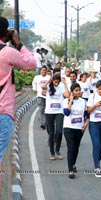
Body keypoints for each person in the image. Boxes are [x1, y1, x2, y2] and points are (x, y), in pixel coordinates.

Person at [0, 16, 36, 196]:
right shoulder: (7, 52)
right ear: (6, 33)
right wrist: (18, 44)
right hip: (2, 112)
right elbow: (31, 63)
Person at [63, 83, 89, 179]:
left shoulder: (83, 102)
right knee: (71, 147)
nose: (78, 92)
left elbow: (87, 114)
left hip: (79, 128)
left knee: (76, 148)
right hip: (68, 127)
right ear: (72, 92)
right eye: (76, 90)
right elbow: (66, 113)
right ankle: (70, 170)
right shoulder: (65, 101)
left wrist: (86, 123)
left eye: (79, 90)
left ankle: (73, 164)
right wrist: (70, 101)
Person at [42, 74, 70, 160]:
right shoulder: (48, 87)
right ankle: (52, 152)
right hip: (49, 112)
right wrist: (48, 81)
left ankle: (57, 150)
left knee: (59, 132)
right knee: (51, 133)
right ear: (52, 81)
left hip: (59, 112)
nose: (56, 84)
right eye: (55, 82)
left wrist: (65, 84)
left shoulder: (61, 87)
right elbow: (43, 87)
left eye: (58, 82)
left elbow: (68, 95)